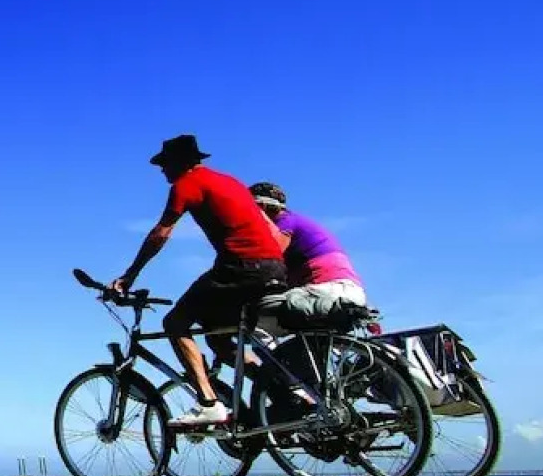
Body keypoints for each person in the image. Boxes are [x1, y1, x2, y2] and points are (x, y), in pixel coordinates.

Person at [109, 135, 288, 429]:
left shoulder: (187, 184)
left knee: (175, 322)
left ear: (180, 162)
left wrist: (129, 275)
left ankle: (208, 403)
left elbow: (161, 233)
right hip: (274, 268)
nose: (162, 171)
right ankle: (282, 389)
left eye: (165, 164)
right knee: (218, 338)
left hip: (240, 267)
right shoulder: (230, 181)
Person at [248, 182, 367, 318]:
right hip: (346, 292)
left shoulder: (285, 222)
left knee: (254, 321)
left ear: (261, 207)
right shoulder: (298, 223)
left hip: (326, 291)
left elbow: (269, 256)